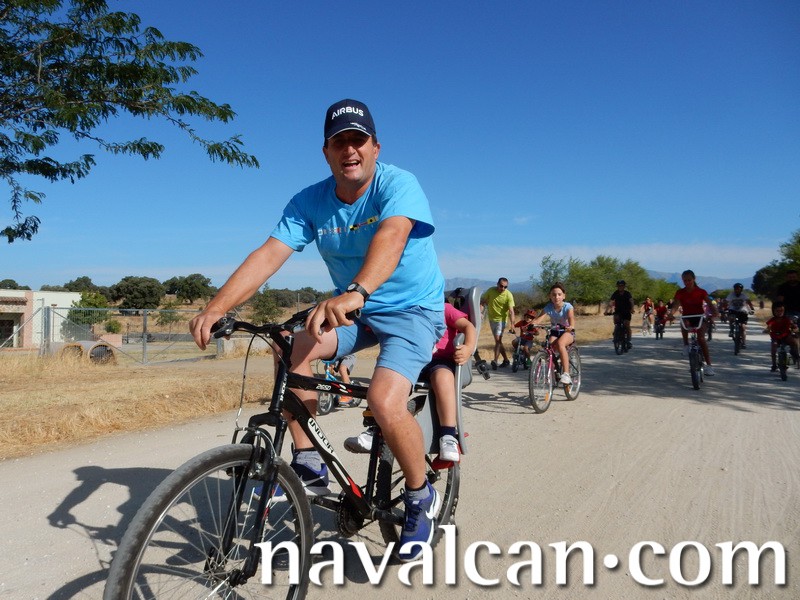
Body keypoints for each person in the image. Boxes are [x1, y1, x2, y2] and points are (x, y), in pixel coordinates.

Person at [189, 99, 445, 562]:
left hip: (409, 309)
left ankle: (419, 494)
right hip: (352, 310)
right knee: (289, 346)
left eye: (358, 140)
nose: (349, 150)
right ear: (326, 152)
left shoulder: (398, 184)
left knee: (384, 400)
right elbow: (270, 253)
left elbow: (392, 235)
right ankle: (308, 460)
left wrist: (357, 290)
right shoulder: (309, 201)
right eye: (339, 142)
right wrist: (216, 307)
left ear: (375, 147)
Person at [344, 299, 477, 463]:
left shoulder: (443, 308)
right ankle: (375, 431)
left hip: (439, 360)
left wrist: (468, 347)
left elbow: (468, 326)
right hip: (412, 357)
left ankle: (448, 435)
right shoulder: (406, 307)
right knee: (387, 374)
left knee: (443, 378)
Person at [668, 270, 718, 376]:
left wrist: (715, 312)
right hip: (687, 317)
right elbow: (676, 305)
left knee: (701, 339)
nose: (687, 282)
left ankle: (709, 366)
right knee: (683, 322)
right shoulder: (680, 292)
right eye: (685, 280)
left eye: (689, 280)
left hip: (699, 317)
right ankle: (686, 345)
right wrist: (671, 313)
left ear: (694, 279)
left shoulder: (701, 291)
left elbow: (709, 303)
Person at [531, 283, 576, 384]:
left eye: (559, 294)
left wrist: (571, 326)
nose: (556, 297)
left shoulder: (568, 306)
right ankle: (555, 370)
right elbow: (539, 319)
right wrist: (531, 325)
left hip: (567, 332)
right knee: (549, 348)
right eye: (554, 295)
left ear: (564, 296)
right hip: (555, 331)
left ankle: (566, 374)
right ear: (550, 296)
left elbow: (571, 318)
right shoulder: (549, 307)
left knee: (560, 344)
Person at [480, 278, 516, 369]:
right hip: (492, 319)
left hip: (501, 320)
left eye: (505, 287)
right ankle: (506, 360)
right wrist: (480, 312)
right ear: (497, 284)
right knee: (498, 341)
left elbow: (511, 311)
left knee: (497, 339)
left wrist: (512, 324)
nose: (503, 288)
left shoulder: (508, 295)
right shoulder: (491, 291)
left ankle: (495, 361)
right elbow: (483, 302)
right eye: (501, 286)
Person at [765, 302, 800, 371]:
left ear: (784, 311)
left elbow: (793, 326)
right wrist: (767, 330)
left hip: (785, 336)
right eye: (777, 311)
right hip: (775, 337)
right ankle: (774, 365)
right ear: (774, 311)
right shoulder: (772, 320)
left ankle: (794, 353)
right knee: (774, 348)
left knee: (794, 341)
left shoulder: (787, 319)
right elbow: (769, 326)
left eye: (781, 311)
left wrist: (795, 329)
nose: (779, 313)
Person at [606, 280, 634, 349]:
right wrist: (606, 311)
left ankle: (628, 340)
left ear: (624, 286)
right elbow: (611, 302)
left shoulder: (627, 293)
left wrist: (632, 308)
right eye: (619, 286)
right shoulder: (615, 293)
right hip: (618, 311)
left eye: (621, 286)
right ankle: (616, 333)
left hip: (626, 311)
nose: (620, 287)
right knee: (616, 319)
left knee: (627, 325)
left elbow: (631, 301)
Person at [725, 283, 755, 349]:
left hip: (742, 310)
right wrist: (723, 308)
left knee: (743, 327)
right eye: (735, 289)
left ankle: (744, 343)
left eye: (738, 289)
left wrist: (752, 309)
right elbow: (726, 302)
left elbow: (749, 302)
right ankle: (731, 330)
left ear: (741, 289)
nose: (736, 290)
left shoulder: (744, 295)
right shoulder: (731, 295)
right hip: (733, 309)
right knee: (731, 317)